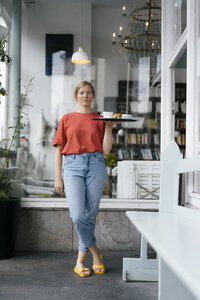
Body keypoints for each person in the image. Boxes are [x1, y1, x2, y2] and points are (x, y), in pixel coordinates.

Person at [53, 81, 116, 277]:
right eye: (81, 92)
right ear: (76, 95)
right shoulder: (67, 119)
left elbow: (106, 151)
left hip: (96, 165)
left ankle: (80, 262)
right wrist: (58, 177)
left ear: (93, 96)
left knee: (89, 216)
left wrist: (109, 128)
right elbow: (58, 150)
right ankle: (96, 253)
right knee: (78, 215)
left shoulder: (100, 119)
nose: (85, 95)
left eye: (88, 92)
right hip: (72, 166)